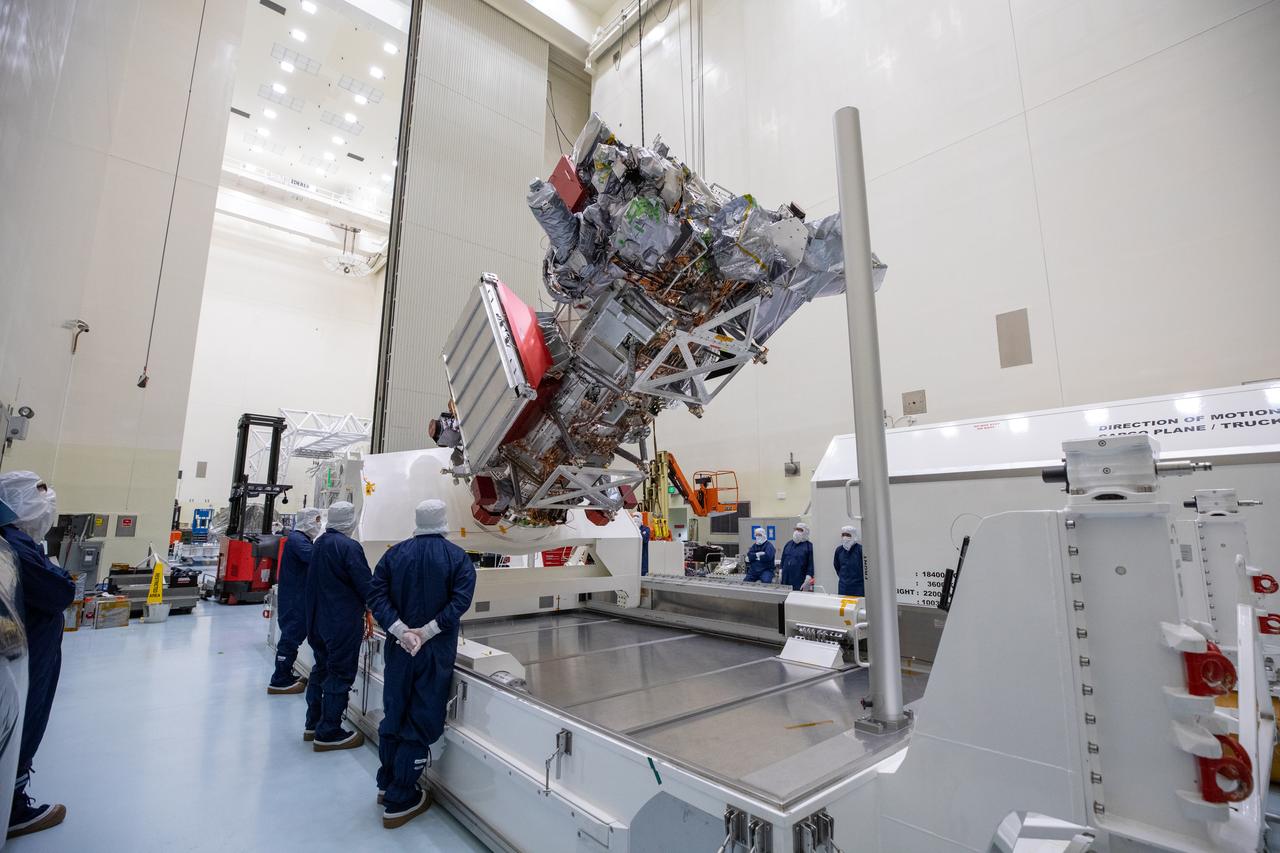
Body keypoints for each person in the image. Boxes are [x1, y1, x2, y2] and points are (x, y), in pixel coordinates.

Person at [368, 500, 476, 829]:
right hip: (435, 650)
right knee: (421, 717)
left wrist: (401, 630)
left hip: (400, 648)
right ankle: (403, 796)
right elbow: (461, 600)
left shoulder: (393, 555)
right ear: (444, 520)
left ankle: (387, 783)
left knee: (395, 712)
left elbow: (376, 595)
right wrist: (427, 632)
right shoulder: (458, 558)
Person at [0, 472, 74, 838]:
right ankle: (12, 806)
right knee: (24, 720)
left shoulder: (16, 541)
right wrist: (63, 578)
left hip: (27, 649)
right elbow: (59, 590)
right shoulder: (14, 543)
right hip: (27, 654)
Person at [304, 501, 373, 750]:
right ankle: (329, 731)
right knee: (340, 673)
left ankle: (313, 723)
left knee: (320, 669)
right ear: (351, 521)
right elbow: (366, 585)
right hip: (340, 621)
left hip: (318, 619)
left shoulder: (319, 543)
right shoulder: (349, 547)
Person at [268, 507, 323, 694]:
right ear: (306, 520)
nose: (318, 524)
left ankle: (284, 674)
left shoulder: (301, 539)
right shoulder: (298, 540)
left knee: (292, 637)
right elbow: (315, 558)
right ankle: (279, 680)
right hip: (295, 599)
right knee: (291, 637)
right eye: (316, 520)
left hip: (298, 596)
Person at [779, 522, 815, 591]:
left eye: (800, 530)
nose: (796, 532)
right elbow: (783, 559)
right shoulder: (788, 544)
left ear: (805, 532)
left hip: (799, 580)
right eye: (796, 529)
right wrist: (781, 571)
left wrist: (808, 578)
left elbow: (811, 565)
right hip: (786, 579)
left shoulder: (809, 547)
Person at [834, 525, 864, 597]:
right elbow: (836, 566)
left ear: (853, 535)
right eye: (843, 535)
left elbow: (866, 568)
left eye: (848, 535)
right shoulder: (839, 550)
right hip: (843, 587)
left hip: (858, 588)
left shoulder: (860, 550)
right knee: (843, 607)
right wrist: (843, 578)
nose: (845, 537)